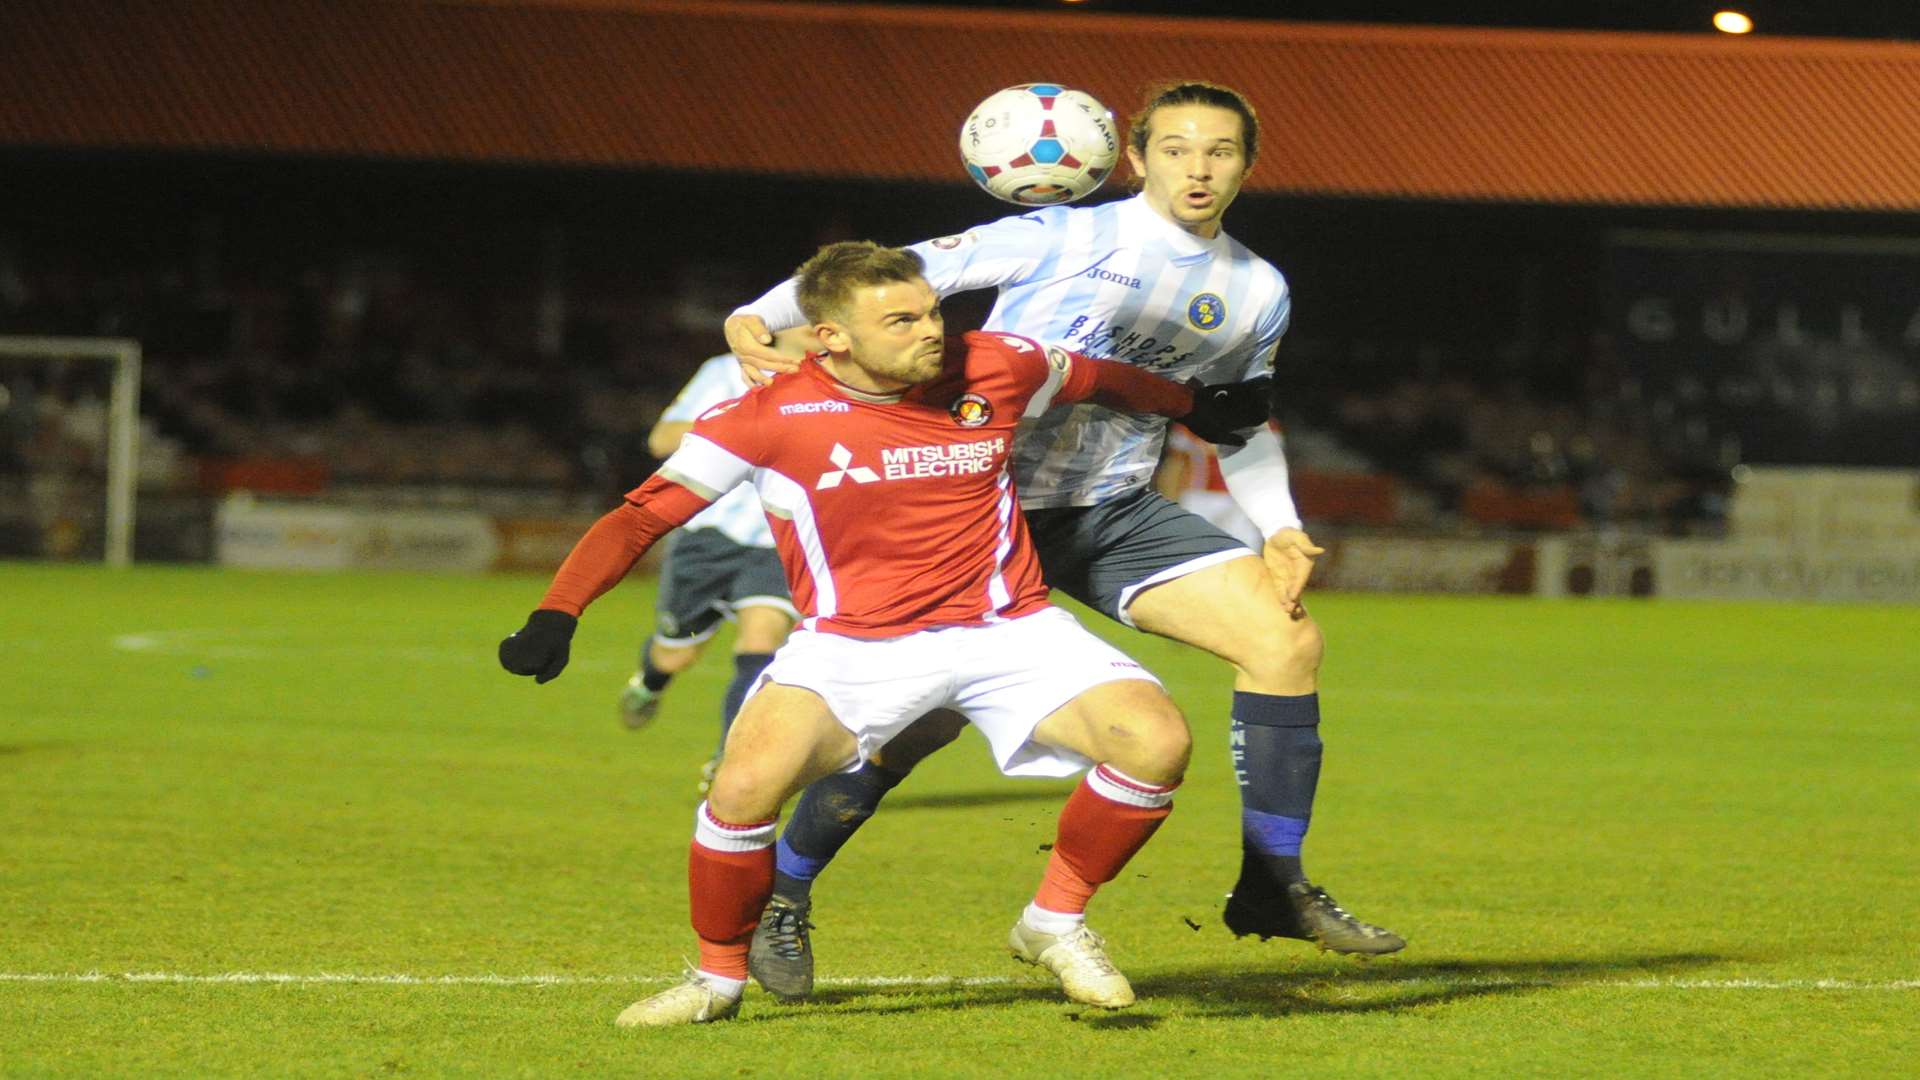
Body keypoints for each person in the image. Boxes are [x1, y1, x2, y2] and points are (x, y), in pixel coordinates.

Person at [725, 81, 1403, 1001]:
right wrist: (756, 319)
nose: (1197, 168)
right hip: (977, 509)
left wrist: (1280, 530)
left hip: (1113, 513)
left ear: (1248, 163)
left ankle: (1271, 882)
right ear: (1135, 158)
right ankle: (785, 896)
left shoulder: (1257, 290)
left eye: (1219, 151)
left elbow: (1240, 421)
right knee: (907, 732)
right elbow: (891, 271)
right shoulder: (1062, 235)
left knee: (1283, 639)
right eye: (1175, 148)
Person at [499, 241, 1269, 1026]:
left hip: (1010, 627)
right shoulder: (762, 418)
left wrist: (1188, 405)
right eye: (900, 320)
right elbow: (642, 516)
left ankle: (1054, 924)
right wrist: (558, 613)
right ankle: (715, 980)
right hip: (855, 647)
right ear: (831, 336)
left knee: (1156, 743)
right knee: (740, 789)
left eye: (932, 310)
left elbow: (1100, 377)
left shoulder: (996, 364)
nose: (931, 331)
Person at [617, 332, 812, 790]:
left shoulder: (836, 382)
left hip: (780, 539)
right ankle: (651, 681)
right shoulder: (723, 371)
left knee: (762, 641)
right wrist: (748, 423)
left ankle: (730, 761)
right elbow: (662, 439)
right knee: (676, 654)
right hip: (708, 537)